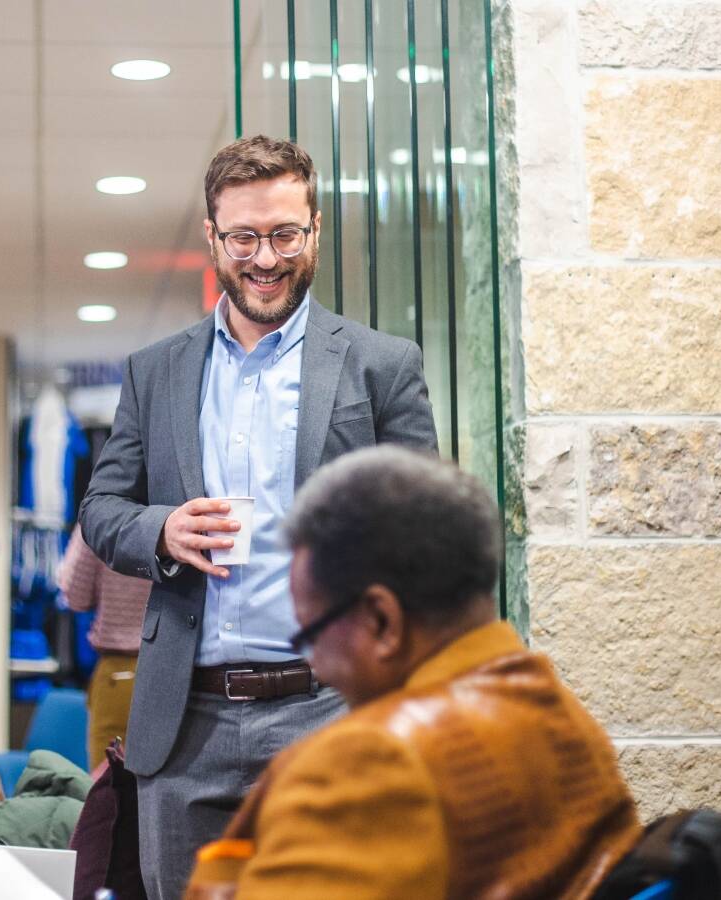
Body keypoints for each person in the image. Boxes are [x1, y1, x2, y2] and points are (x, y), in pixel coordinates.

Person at [80, 134, 438, 899]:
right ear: (212, 236)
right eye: (243, 236)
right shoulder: (157, 372)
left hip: (330, 710)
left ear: (314, 231)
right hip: (184, 725)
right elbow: (102, 509)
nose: (265, 258)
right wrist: (163, 531)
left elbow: (429, 526)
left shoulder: (381, 365)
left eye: (284, 234)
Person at [186, 446, 643, 899]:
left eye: (310, 635)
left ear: (382, 622)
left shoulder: (368, 763)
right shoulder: (564, 716)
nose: (315, 663)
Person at [57, 523, 152, 770]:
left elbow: (76, 595)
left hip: (121, 670)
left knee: (110, 788)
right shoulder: (185, 506)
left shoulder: (102, 520)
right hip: (183, 670)